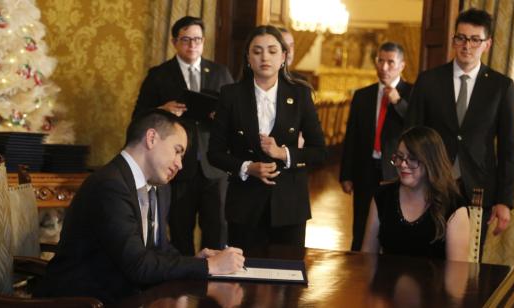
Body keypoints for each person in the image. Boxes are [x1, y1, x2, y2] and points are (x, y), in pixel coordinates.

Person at [34, 109, 244, 304]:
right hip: (81, 301)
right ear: (151, 138)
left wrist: (194, 260)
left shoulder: (158, 188)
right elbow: (138, 266)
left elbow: (159, 249)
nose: (180, 164)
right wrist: (208, 266)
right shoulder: (110, 185)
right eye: (177, 151)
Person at [207, 25, 327, 251]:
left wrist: (284, 153)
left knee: (287, 277)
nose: (265, 57)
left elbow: (319, 151)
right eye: (257, 51)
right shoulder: (230, 95)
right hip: (244, 205)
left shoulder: (300, 94)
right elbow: (214, 153)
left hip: (290, 205)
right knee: (244, 277)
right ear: (248, 58)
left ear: (283, 57)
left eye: (272, 51)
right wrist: (247, 167)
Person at [407, 8, 514, 244]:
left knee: (467, 264)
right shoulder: (428, 80)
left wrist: (504, 201)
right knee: (427, 261)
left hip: (478, 191)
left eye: (475, 39)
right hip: (431, 186)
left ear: (487, 44)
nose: (467, 45)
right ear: (454, 39)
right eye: (461, 38)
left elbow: (508, 147)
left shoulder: (501, 87)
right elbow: (412, 136)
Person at [133, 16, 234, 255]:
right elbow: (137, 118)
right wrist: (162, 110)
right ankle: (182, 286)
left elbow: (235, 116)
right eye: (186, 39)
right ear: (174, 42)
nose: (192, 45)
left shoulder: (220, 72)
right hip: (177, 166)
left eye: (197, 39)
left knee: (217, 229)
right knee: (180, 231)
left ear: (204, 41)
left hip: (214, 165)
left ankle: (216, 282)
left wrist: (218, 115)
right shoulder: (159, 75)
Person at [340, 42, 412, 251]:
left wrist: (399, 103)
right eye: (381, 61)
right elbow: (351, 136)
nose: (385, 67)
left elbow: (416, 128)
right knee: (361, 227)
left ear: (402, 65)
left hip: (397, 171)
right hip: (365, 169)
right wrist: (346, 174)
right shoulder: (363, 95)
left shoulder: (412, 93)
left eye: (391, 62)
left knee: (392, 227)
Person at [361, 126, 470, 261]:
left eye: (412, 159)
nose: (403, 165)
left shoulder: (453, 206)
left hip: (434, 282)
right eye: (400, 157)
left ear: (431, 162)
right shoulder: (382, 197)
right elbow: (367, 256)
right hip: (386, 281)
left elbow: (457, 273)